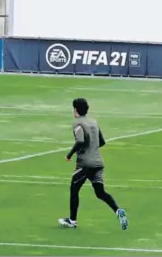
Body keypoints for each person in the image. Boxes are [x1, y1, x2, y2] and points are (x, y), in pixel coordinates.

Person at [58, 98, 128, 230]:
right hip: (98, 163)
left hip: (86, 164)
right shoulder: (94, 122)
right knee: (100, 192)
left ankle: (72, 220)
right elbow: (102, 141)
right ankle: (118, 210)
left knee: (74, 188)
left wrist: (69, 155)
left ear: (75, 110)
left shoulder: (78, 124)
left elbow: (80, 141)